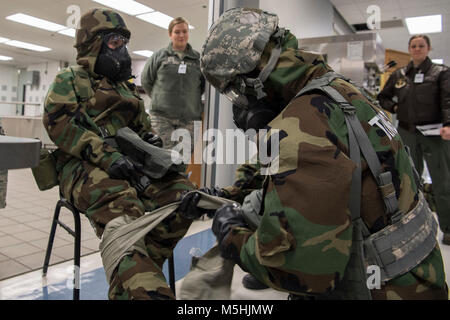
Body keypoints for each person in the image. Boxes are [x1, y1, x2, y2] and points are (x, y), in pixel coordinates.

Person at [194, 8, 448, 299]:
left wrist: (231, 237)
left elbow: (300, 271)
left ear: (254, 77)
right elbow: (285, 170)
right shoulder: (338, 88)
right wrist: (225, 194)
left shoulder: (302, 128)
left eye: (235, 91)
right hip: (420, 275)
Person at [43, 8, 203, 300]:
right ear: (94, 43)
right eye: (116, 42)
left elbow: (141, 130)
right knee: (124, 207)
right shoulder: (70, 80)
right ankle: (141, 283)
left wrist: (150, 141)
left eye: (124, 43)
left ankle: (134, 276)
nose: (124, 50)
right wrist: (108, 156)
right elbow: (60, 124)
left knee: (182, 196)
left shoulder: (126, 90)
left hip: (130, 166)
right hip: (83, 167)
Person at [377, 35, 450, 245]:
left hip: (435, 133)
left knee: (443, 181)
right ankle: (413, 227)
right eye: (413, 46)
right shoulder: (400, 74)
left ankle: (448, 228)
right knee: (408, 180)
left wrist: (448, 125)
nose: (417, 49)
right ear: (409, 49)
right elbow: (383, 97)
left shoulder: (441, 72)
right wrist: (395, 107)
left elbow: (447, 99)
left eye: (421, 45)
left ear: (428, 48)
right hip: (407, 133)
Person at [141, 17, 205, 154]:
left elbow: (203, 86)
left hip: (190, 119)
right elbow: (146, 81)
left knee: (182, 160)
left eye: (184, 31)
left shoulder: (198, 59)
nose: (181, 35)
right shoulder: (159, 56)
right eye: (177, 32)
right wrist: (160, 98)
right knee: (161, 157)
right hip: (161, 118)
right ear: (170, 34)